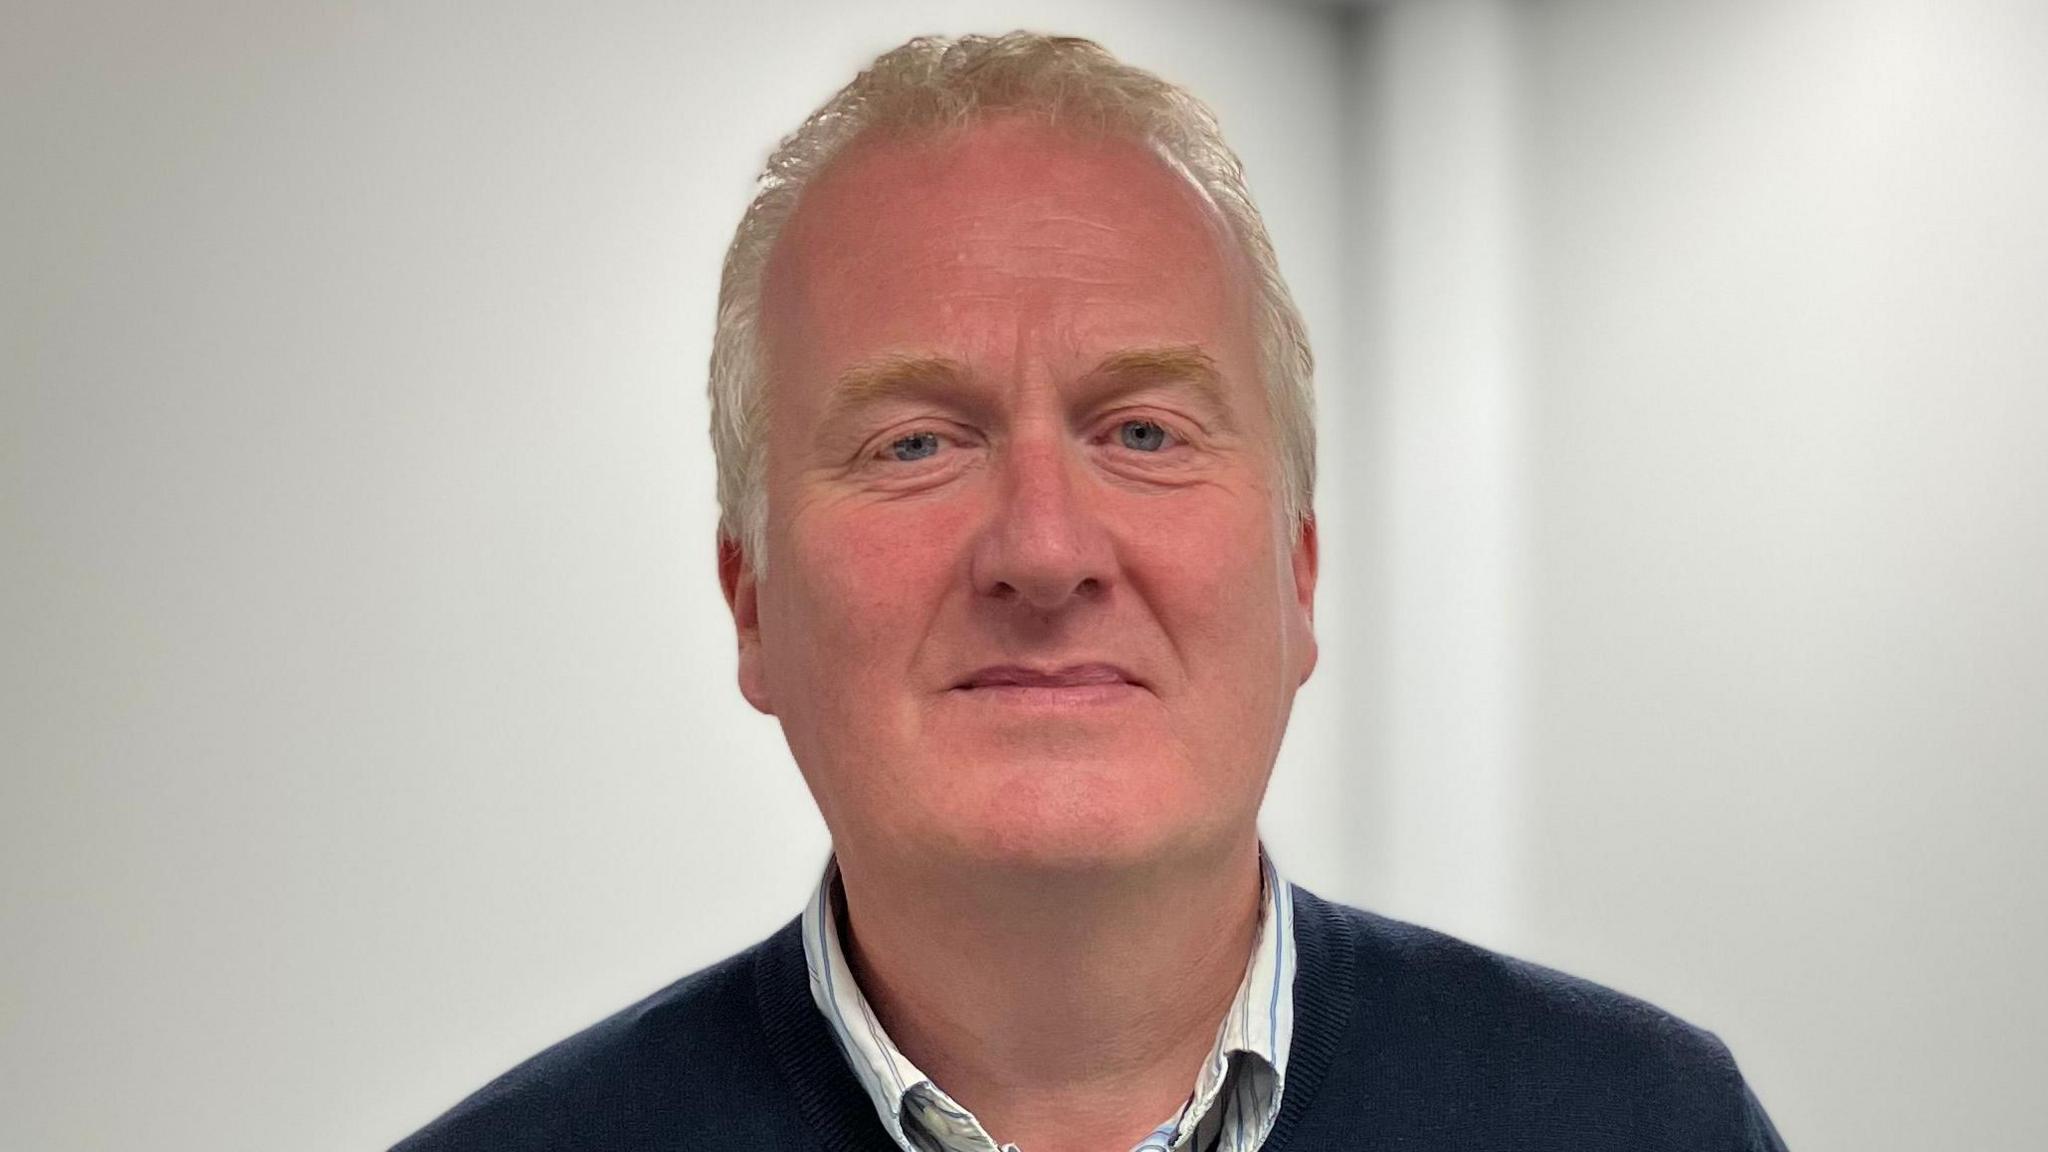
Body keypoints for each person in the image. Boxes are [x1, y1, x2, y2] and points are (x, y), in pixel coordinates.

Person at [395, 32, 1788, 1152]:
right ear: (748, 600)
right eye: (918, 444)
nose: (1046, 552)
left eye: (1143, 432)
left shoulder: (1648, 1126)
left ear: (1301, 576)